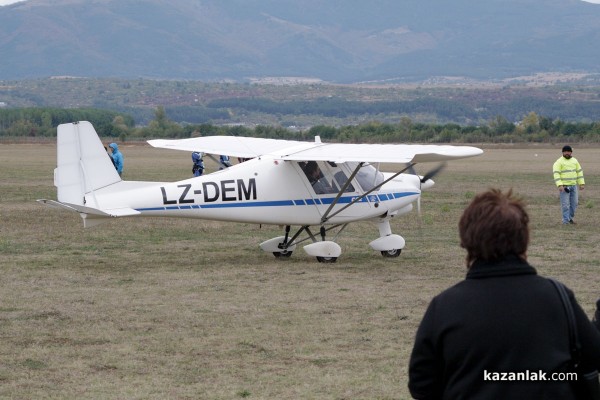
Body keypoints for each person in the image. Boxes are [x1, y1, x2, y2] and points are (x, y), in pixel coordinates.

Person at [408, 189, 600, 399]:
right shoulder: (558, 297)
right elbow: (592, 355)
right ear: (524, 239)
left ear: (466, 240)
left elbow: (421, 384)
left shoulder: (444, 306)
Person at [553, 145, 585, 224]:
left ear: (571, 152)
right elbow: (556, 174)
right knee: (566, 205)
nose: (567, 153)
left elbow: (579, 172)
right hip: (564, 187)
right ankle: (565, 221)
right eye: (565, 151)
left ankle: (569, 218)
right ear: (563, 152)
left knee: (575, 204)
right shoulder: (558, 162)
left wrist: (581, 183)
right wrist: (559, 185)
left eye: (568, 151)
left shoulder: (575, 161)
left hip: (574, 186)